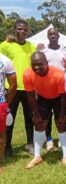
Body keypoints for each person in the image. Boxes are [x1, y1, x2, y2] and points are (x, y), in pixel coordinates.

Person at [24, 52, 66, 169]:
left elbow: (63, 97)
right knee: (39, 124)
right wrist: (36, 114)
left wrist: (62, 115)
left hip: (59, 98)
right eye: (34, 64)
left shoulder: (58, 75)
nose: (36, 67)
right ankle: (37, 156)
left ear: (46, 63)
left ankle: (65, 156)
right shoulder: (27, 74)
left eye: (40, 64)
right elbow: (30, 96)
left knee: (62, 124)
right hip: (43, 98)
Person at [0, 19, 36, 156]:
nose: (22, 31)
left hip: (28, 88)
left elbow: (34, 66)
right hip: (11, 88)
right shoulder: (5, 45)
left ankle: (30, 144)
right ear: (15, 29)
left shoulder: (31, 46)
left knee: (29, 117)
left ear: (28, 30)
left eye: (25, 29)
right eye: (20, 29)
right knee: (9, 118)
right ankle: (7, 147)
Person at [40, 27, 66, 151]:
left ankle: (61, 139)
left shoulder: (65, 51)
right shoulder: (43, 51)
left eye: (55, 34)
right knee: (46, 116)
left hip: (62, 90)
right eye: (50, 34)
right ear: (48, 36)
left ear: (58, 36)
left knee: (62, 116)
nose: (53, 36)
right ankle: (48, 139)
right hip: (46, 89)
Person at [0, 53, 17, 173]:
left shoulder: (5, 60)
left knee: (1, 135)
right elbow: (13, 85)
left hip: (0, 103)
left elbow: (13, 85)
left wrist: (6, 102)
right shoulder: (5, 60)